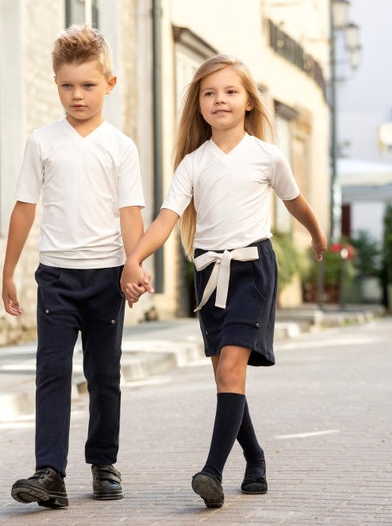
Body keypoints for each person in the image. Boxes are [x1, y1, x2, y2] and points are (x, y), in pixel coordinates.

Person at [121, 54, 327, 509]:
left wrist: (316, 234)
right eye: (209, 93)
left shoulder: (267, 156)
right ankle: (255, 457)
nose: (220, 100)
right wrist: (134, 258)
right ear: (198, 104)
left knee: (231, 369)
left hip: (254, 270)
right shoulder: (193, 164)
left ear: (249, 102)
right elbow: (165, 220)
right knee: (224, 374)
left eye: (231, 92)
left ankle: (211, 472)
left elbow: (295, 202)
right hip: (210, 275)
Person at [2, 24, 145, 509]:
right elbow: (24, 207)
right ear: (55, 84)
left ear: (110, 84)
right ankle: (50, 472)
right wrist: (8, 272)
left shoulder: (120, 147)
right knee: (52, 372)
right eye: (67, 85)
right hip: (57, 278)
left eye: (88, 85)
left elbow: (130, 213)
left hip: (106, 277)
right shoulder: (42, 142)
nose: (77, 95)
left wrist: (134, 264)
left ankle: (104, 463)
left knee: (105, 374)